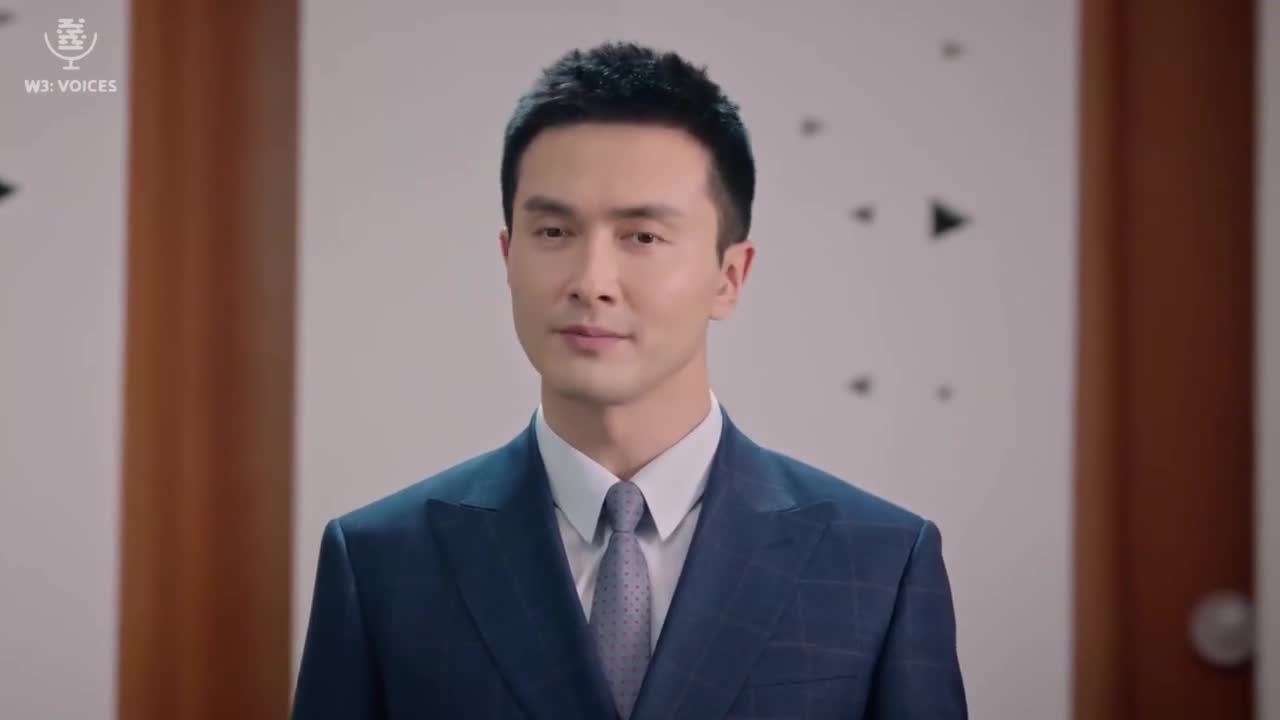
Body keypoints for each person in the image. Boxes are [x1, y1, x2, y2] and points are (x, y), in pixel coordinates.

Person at [292, 41, 967, 720]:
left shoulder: (880, 562)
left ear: (729, 277)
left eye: (642, 237)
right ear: (507, 256)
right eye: (553, 231)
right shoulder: (381, 561)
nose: (591, 282)